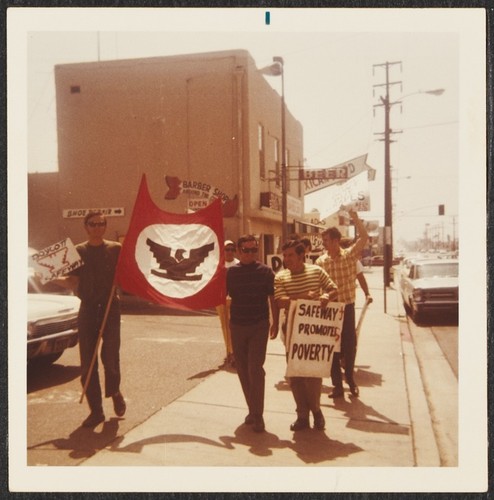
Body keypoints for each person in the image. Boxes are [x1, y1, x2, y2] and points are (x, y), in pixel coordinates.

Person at [54, 211, 125, 427]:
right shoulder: (78, 251)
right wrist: (48, 277)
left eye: (101, 224)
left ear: (105, 226)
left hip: (110, 309)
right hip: (88, 310)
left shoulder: (115, 249)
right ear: (86, 227)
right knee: (88, 362)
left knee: (110, 358)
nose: (97, 227)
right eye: (93, 224)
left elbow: (126, 274)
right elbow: (72, 281)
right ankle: (96, 411)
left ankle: (114, 391)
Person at [274, 239, 338, 431]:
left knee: (313, 375)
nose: (286, 259)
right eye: (284, 256)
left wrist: (327, 296)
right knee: (295, 375)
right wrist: (304, 297)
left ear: (302, 255)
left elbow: (333, 289)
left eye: (290, 255)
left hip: (314, 332)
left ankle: (317, 412)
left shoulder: (316, 271)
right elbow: (281, 302)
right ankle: (302, 415)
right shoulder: (281, 276)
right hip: (292, 331)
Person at [226, 235, 278, 433]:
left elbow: (273, 297)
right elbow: (219, 294)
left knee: (255, 369)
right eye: (246, 250)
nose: (250, 254)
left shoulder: (265, 272)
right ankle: (252, 409)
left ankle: (258, 415)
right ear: (238, 252)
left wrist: (274, 322)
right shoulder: (230, 273)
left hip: (259, 325)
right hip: (237, 326)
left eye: (253, 250)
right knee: (242, 369)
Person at [316, 209, 368, 399]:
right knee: (332, 348)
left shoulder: (349, 256)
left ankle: (350, 379)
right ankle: (337, 385)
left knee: (349, 345)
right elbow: (318, 285)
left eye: (327, 241)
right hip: (329, 310)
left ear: (336, 241)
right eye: (324, 241)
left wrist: (354, 218)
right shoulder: (321, 261)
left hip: (347, 307)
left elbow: (364, 237)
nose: (324, 244)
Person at [217, 240, 239, 367]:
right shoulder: (218, 264)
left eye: (232, 249)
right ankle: (229, 351)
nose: (229, 252)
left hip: (235, 300)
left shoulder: (237, 264)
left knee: (234, 326)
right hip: (221, 300)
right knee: (225, 326)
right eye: (227, 249)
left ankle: (235, 352)